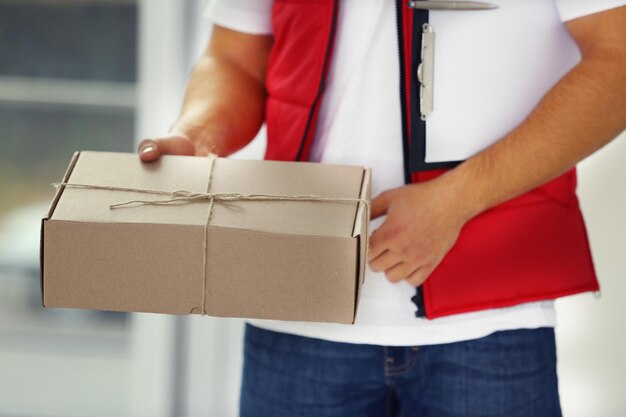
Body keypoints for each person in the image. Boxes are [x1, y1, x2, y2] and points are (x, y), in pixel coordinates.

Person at [139, 1, 626, 415]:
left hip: (491, 320)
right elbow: (234, 57)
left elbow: (618, 60)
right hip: (296, 307)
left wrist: (455, 200)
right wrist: (198, 135)